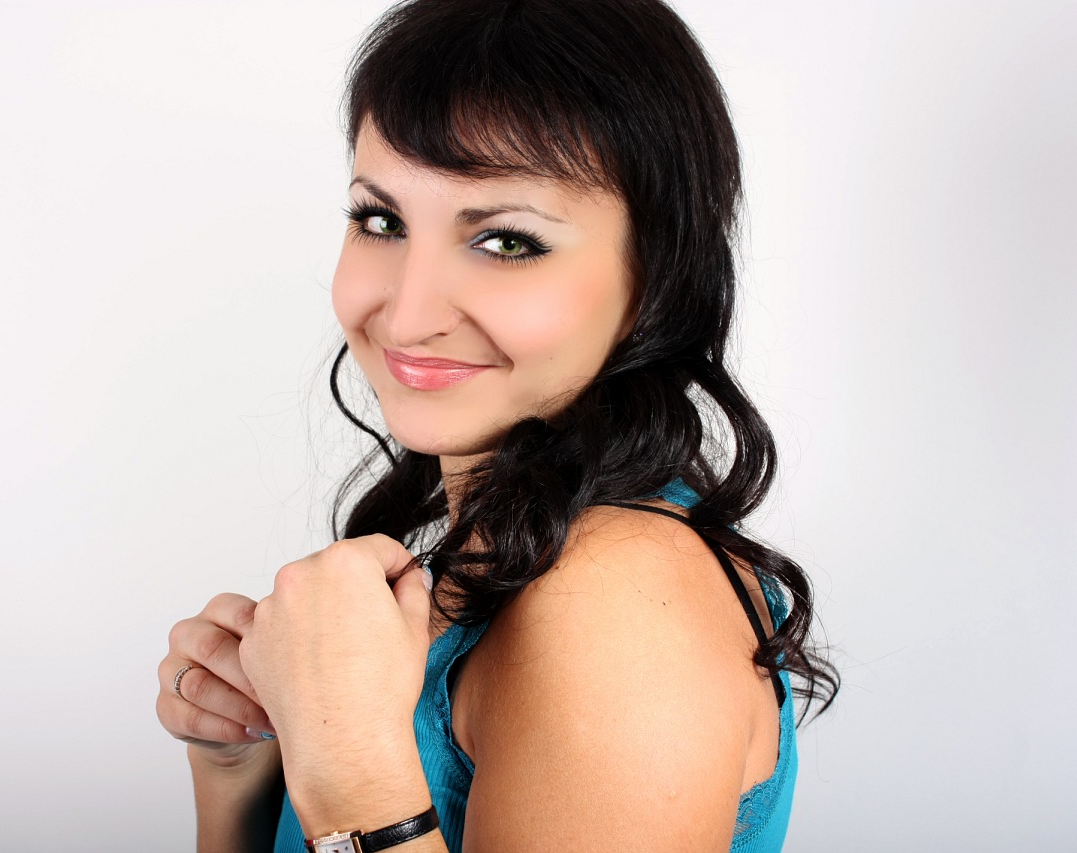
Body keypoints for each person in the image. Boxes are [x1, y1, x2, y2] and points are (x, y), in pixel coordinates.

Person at [156, 0, 838, 850]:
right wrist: (240, 765)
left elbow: (353, 792)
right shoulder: (512, 547)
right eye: (381, 220)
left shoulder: (616, 602)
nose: (407, 317)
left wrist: (346, 765)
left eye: (507, 241)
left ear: (658, 275)